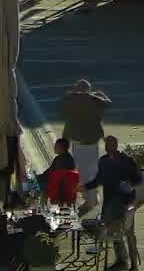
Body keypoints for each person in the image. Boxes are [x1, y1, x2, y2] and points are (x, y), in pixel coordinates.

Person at [82, 135, 143, 270]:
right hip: (110, 204)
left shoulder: (126, 161)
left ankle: (134, 265)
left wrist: (129, 184)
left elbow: (138, 179)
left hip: (125, 203)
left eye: (109, 144)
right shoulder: (103, 161)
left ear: (115, 145)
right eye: (106, 145)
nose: (107, 147)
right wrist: (85, 187)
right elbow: (98, 180)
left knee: (129, 234)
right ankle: (121, 262)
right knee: (114, 235)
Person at [60, 80, 111, 212]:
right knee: (91, 171)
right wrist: (100, 95)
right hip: (92, 141)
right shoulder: (95, 100)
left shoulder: (71, 101)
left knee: (81, 171)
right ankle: (92, 198)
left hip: (77, 141)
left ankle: (90, 199)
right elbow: (108, 103)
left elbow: (65, 110)